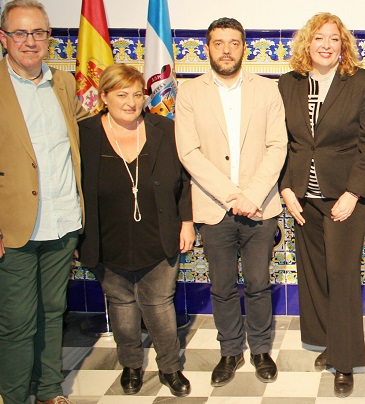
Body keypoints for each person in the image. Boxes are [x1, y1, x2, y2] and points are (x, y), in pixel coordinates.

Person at [174, 17, 286, 388]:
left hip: (260, 207)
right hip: (213, 206)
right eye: (218, 43)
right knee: (222, 286)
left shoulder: (268, 90)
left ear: (244, 48)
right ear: (207, 48)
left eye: (233, 43)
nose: (226, 49)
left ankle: (260, 350)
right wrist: (230, 195)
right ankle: (230, 351)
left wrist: (251, 196)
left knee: (257, 282)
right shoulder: (189, 92)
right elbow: (188, 152)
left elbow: (277, 147)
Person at [278, 12, 365, 397]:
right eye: (319, 37)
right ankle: (328, 343)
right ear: (307, 43)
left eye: (334, 39)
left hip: (345, 198)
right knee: (315, 275)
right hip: (301, 198)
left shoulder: (364, 83)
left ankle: (346, 361)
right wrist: (286, 189)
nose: (326, 44)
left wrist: (354, 193)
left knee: (340, 275)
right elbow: (281, 143)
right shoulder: (289, 84)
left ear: (344, 46)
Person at [78, 63, 194, 397]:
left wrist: (186, 222)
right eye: (121, 94)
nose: (131, 101)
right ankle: (131, 365)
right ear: (104, 96)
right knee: (122, 306)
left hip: (159, 235)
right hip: (106, 238)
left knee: (159, 305)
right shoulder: (85, 134)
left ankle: (171, 368)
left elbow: (184, 181)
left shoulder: (164, 129)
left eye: (137, 94)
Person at [0, 1, 90, 403]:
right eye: (20, 33)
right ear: (4, 39)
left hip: (63, 221)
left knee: (53, 313)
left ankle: (50, 390)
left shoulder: (64, 82)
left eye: (38, 33)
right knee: (18, 322)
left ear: (49, 38)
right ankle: (15, 396)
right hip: (14, 228)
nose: (30, 41)